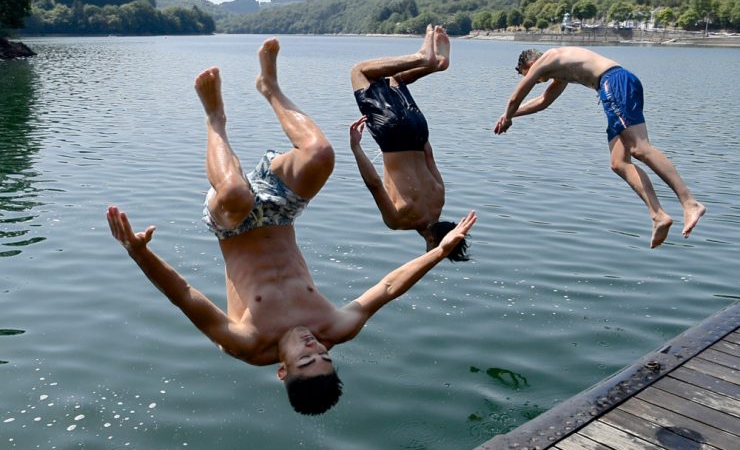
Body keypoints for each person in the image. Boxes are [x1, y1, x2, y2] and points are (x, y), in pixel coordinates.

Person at [107, 37, 477, 416]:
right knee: (321, 155)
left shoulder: (247, 344)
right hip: (282, 213)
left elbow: (184, 295)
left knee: (235, 191)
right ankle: (270, 88)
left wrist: (139, 252)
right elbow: (387, 288)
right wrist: (438, 251)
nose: (313, 347)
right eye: (323, 357)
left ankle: (215, 119)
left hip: (232, 225)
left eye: (305, 359)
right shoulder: (334, 329)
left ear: (282, 371)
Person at [493, 46, 705, 248]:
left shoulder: (549, 58)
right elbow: (543, 101)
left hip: (614, 83)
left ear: (531, 63)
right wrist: (510, 115)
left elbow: (516, 96)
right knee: (619, 163)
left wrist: (509, 115)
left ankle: (689, 203)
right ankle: (658, 215)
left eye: (528, 75)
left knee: (640, 148)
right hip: (615, 87)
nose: (536, 81)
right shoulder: (559, 71)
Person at [349, 25, 470, 261]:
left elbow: (429, 155)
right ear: (433, 241)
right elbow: (374, 183)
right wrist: (356, 147)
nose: (431, 255)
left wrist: (411, 126)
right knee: (359, 71)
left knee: (394, 79)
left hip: (418, 130)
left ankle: (436, 64)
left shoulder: (439, 199)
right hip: (392, 135)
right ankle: (422, 58)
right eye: (435, 252)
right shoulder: (399, 221)